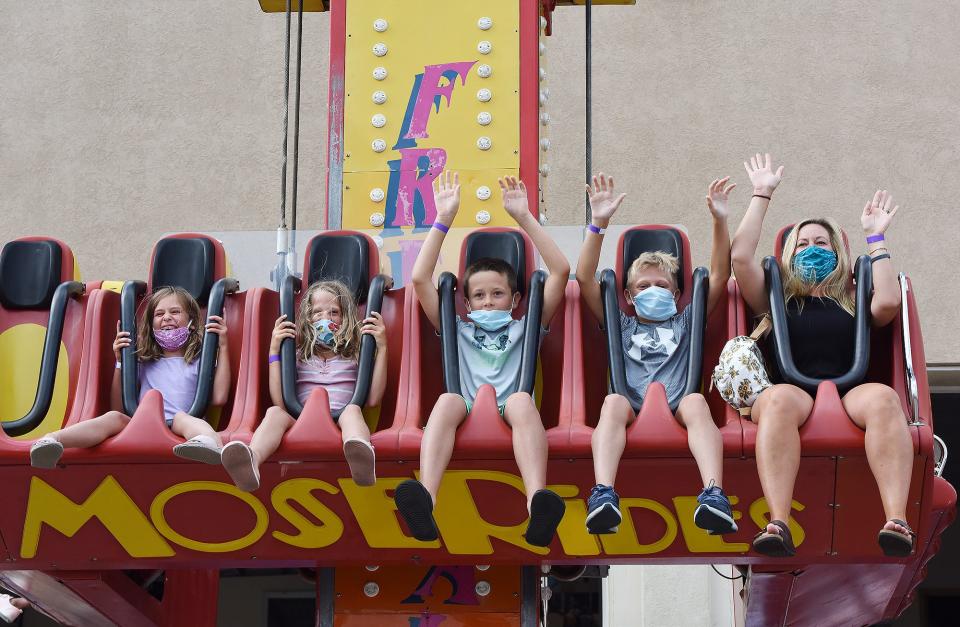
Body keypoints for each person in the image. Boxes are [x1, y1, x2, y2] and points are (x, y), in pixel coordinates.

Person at [731, 152, 914, 557]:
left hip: (848, 388)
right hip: (791, 391)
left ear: (837, 253)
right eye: (803, 243)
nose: (812, 249)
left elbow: (886, 303)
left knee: (885, 398)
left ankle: (897, 519)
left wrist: (877, 238)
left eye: (821, 243)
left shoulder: (850, 300)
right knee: (776, 401)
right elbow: (741, 258)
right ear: (789, 255)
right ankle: (779, 521)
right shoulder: (775, 298)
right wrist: (761, 194)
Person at [394, 172, 570, 547]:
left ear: (516, 299)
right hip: (467, 404)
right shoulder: (458, 328)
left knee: (523, 402)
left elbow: (561, 271)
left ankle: (537, 499)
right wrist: (443, 219)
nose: (489, 302)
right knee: (446, 401)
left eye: (498, 294)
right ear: (467, 302)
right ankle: (427, 496)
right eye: (480, 296)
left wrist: (524, 217)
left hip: (510, 404)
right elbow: (421, 278)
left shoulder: (528, 325)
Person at [576, 173, 737, 535]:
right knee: (612, 404)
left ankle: (713, 492)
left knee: (697, 403)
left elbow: (720, 274)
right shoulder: (623, 323)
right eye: (643, 286)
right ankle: (603, 493)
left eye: (662, 285)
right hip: (631, 400)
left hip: (678, 400)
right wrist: (598, 224)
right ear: (629, 296)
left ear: (678, 293)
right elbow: (585, 278)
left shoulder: (686, 320)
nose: (653, 291)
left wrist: (719, 220)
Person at [29, 286, 230, 468]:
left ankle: (207, 442)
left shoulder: (198, 361)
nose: (167, 317)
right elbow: (118, 405)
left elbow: (219, 397)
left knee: (182, 418)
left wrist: (223, 346)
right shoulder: (144, 361)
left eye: (175, 312)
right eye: (159, 314)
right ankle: (52, 441)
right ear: (151, 326)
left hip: (180, 426)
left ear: (192, 322)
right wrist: (120, 362)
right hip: (142, 423)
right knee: (113, 417)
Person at [220, 280, 387, 491]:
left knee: (353, 411)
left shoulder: (354, 355)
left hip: (340, 416)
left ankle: (360, 454)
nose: (325, 318)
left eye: (334, 312)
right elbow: (280, 399)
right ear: (307, 319)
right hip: (299, 417)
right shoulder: (299, 356)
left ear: (346, 318)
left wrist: (381, 348)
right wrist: (274, 350)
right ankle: (252, 460)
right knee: (274, 413)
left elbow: (373, 398)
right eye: (317, 313)